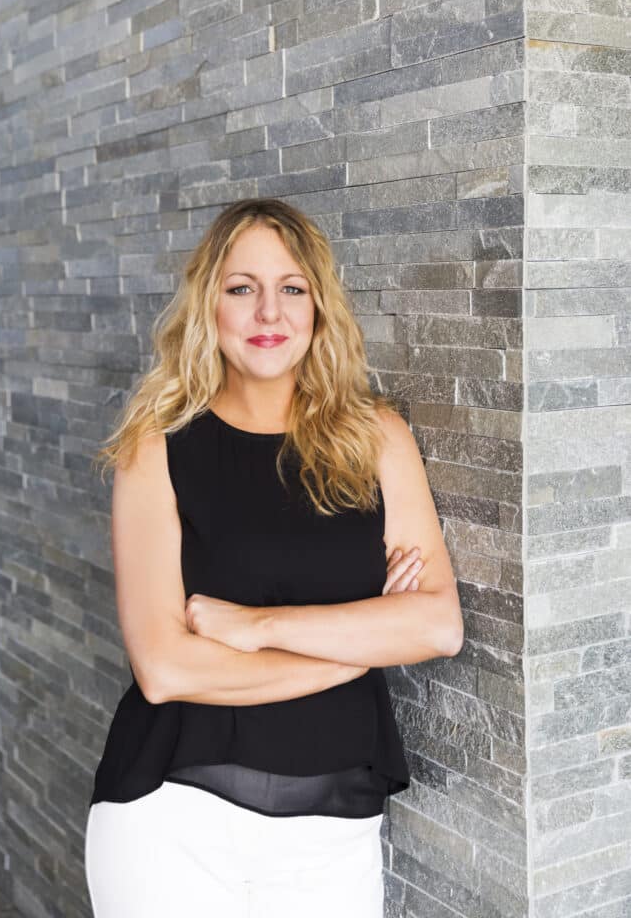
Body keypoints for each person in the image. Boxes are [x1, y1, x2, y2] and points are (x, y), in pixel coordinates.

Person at [84, 197, 464, 916]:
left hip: (333, 833)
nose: (268, 314)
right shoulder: (156, 447)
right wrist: (361, 646)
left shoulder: (377, 439)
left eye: (291, 288)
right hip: (169, 818)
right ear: (209, 305)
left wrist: (256, 627)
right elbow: (165, 671)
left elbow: (437, 626)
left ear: (318, 306)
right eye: (241, 288)